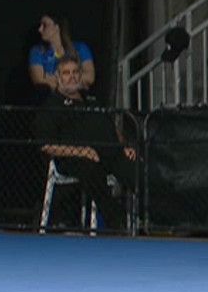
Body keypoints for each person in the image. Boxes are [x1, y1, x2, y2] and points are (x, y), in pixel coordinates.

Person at [34, 56, 136, 231]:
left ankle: (155, 218)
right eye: (66, 73)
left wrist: (124, 146)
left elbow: (112, 128)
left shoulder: (92, 99)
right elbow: (46, 145)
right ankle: (117, 222)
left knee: (134, 168)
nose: (72, 77)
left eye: (75, 72)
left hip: (109, 153)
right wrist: (82, 151)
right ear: (58, 76)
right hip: (74, 158)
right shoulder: (52, 106)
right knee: (91, 169)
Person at [28, 14, 96, 95]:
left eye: (45, 25)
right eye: (40, 25)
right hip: (50, 98)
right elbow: (39, 81)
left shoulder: (80, 48)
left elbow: (90, 77)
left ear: (57, 27)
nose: (40, 29)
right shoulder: (37, 51)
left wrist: (56, 79)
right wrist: (74, 81)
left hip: (77, 98)